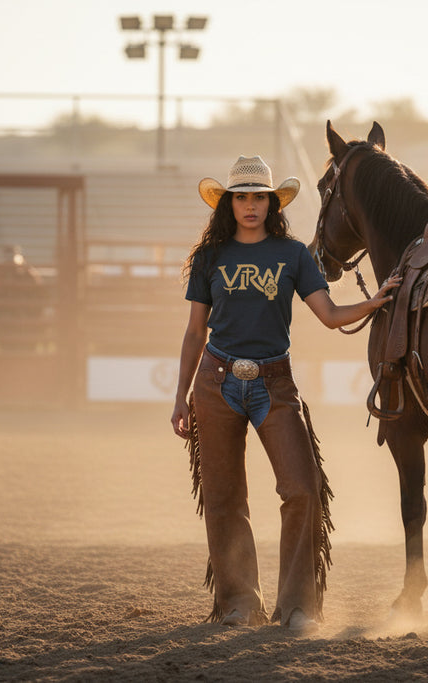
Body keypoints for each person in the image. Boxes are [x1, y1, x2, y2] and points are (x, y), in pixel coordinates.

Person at [170, 155, 401, 635]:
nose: (250, 205)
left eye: (259, 197)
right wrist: (180, 398)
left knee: (303, 488)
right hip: (215, 383)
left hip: (276, 385)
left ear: (272, 203)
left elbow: (331, 315)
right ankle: (237, 603)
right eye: (241, 197)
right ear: (228, 203)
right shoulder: (209, 257)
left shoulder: (293, 255)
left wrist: (376, 301)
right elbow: (194, 333)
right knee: (223, 496)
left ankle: (297, 606)